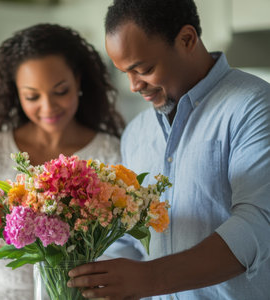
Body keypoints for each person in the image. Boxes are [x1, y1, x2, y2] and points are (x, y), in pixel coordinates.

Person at [67, 0, 270, 299]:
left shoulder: (253, 106)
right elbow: (131, 236)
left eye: (144, 68)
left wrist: (151, 278)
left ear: (187, 39)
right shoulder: (136, 133)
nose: (134, 85)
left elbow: (258, 224)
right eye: (125, 72)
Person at [0, 23, 140, 299]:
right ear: (16, 93)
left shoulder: (113, 155)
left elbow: (127, 248)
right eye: (32, 96)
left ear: (78, 81)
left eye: (60, 91)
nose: (48, 106)